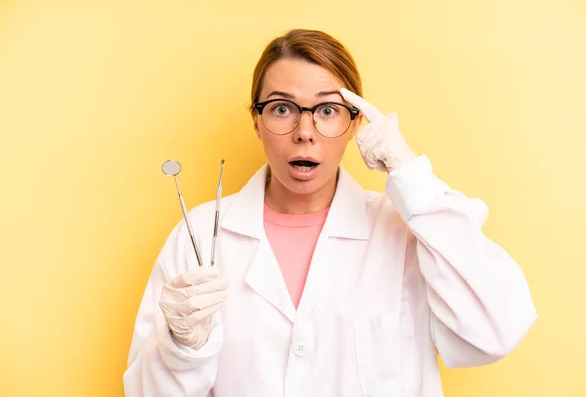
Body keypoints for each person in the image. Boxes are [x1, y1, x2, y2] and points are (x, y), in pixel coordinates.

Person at [123, 29, 537, 397]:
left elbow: (497, 330)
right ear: (256, 120)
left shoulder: (403, 232)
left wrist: (411, 177)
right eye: (282, 108)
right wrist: (182, 349)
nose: (305, 132)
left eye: (327, 111)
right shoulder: (200, 235)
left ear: (355, 124)